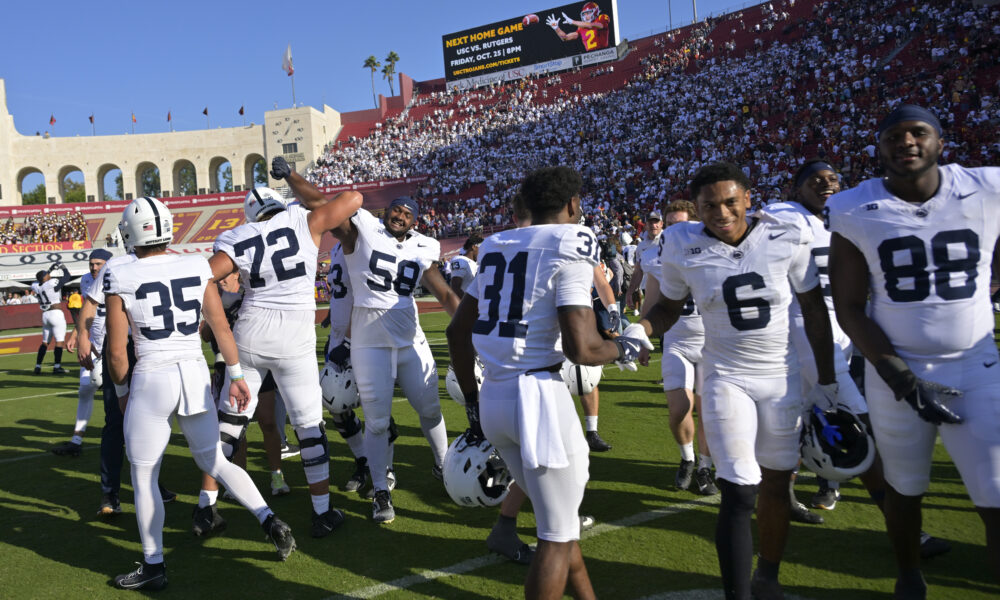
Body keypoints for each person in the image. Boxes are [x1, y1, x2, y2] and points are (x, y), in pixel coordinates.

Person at [448, 166, 653, 600]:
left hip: (495, 398)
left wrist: (472, 401)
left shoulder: (497, 245)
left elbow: (455, 333)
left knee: (556, 521)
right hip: (538, 398)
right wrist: (627, 348)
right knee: (557, 535)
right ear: (573, 204)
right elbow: (582, 348)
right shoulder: (573, 240)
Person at [638, 162, 838, 600]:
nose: (722, 212)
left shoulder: (783, 233)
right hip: (727, 377)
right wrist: (642, 329)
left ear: (749, 198)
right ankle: (737, 595)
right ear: (697, 208)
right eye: (710, 205)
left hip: (781, 378)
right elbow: (668, 308)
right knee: (739, 490)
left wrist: (827, 380)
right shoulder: (680, 243)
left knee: (777, 486)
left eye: (731, 202)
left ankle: (767, 576)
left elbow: (815, 310)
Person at [827, 104, 1000, 599]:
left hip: (976, 364)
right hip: (895, 370)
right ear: (879, 148)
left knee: (995, 493)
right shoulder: (854, 207)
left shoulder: (986, 189)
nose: (906, 142)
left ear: (940, 141)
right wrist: (902, 378)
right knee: (904, 486)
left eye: (918, 132)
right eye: (894, 136)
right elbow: (850, 307)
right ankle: (909, 576)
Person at [104, 197, 295, 590]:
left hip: (153, 376)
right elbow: (221, 326)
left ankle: (154, 566)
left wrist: (122, 391)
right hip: (193, 372)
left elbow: (118, 352)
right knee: (214, 459)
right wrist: (238, 375)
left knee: (144, 475)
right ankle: (268, 519)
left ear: (131, 233)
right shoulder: (194, 264)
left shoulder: (120, 274)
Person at [279, 158, 460, 525]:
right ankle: (381, 490)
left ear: (415, 222)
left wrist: (470, 329)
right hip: (369, 342)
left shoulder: (425, 247)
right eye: (396, 209)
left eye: (408, 214)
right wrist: (291, 177)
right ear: (386, 212)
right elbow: (321, 203)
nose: (400, 215)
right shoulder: (362, 232)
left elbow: (443, 294)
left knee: (430, 411)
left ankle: (443, 466)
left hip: (410, 341)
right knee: (377, 422)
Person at [201, 176, 360, 538]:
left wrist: (219, 320)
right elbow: (352, 198)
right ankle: (321, 512)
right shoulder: (304, 220)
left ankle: (204, 507)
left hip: (250, 335)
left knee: (228, 427)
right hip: (295, 339)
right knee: (308, 428)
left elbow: (203, 278)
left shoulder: (237, 236)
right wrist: (310, 202)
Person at [637, 200, 716, 495]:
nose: (675, 230)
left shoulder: (712, 252)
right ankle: (687, 459)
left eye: (681, 224)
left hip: (711, 344)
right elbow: (651, 302)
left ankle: (705, 468)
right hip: (677, 342)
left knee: (708, 411)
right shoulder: (658, 259)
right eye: (671, 225)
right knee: (679, 408)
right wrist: (643, 338)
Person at [321, 240, 394, 497]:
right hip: (339, 336)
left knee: (376, 405)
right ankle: (363, 461)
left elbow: (366, 295)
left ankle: (385, 469)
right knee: (336, 404)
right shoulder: (337, 247)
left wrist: (350, 340)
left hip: (364, 337)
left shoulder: (363, 245)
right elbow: (343, 291)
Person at [51, 249, 112, 457]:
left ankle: (123, 436)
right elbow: (87, 311)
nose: (94, 268)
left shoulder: (119, 276)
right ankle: (76, 441)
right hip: (92, 343)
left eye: (99, 264)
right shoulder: (86, 280)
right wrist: (76, 334)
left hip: (115, 344)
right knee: (85, 389)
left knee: (120, 395)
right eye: (91, 264)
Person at [31, 261, 72, 375]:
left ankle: (37, 366)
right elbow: (67, 277)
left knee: (45, 342)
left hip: (45, 315)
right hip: (55, 313)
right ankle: (57, 366)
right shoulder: (50, 284)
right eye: (47, 274)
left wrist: (50, 270)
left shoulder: (36, 286)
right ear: (45, 278)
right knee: (59, 341)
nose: (49, 275)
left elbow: (39, 281)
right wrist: (63, 267)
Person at [625, 211, 664, 315]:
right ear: (646, 225)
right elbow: (638, 271)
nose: (653, 225)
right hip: (648, 292)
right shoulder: (641, 246)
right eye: (650, 222)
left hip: (668, 291)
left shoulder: (669, 239)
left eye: (656, 222)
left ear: (661, 224)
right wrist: (630, 291)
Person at [545, 2, 611, 52]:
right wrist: (557, 28)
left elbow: (592, 26)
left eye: (588, 13)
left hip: (604, 53)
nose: (586, 16)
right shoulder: (581, 27)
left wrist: (572, 22)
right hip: (590, 56)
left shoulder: (601, 17)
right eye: (584, 14)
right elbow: (565, 38)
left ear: (595, 11)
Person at [450, 233, 483, 297]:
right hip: (466, 303)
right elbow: (455, 287)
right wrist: (467, 305)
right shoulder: (460, 260)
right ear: (473, 247)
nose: (482, 251)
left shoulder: (476, 263)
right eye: (481, 248)